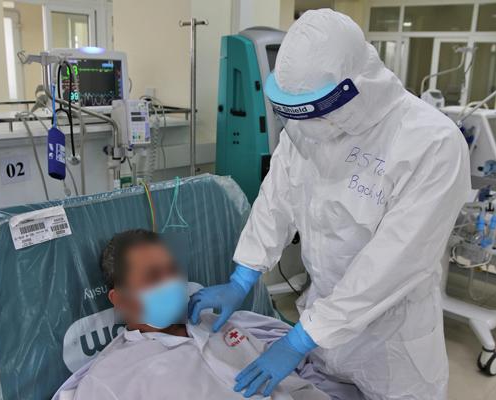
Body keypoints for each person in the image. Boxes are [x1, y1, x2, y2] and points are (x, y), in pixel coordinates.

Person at [188, 8, 471, 400]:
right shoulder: (305, 129)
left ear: (355, 85)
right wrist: (243, 276)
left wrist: (300, 339)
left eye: (317, 109)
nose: (307, 125)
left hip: (391, 341)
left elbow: (394, 264)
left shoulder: (432, 143)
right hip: (323, 326)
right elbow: (276, 199)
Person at [59, 229, 361, 400]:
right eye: (153, 277)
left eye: (173, 270)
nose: (171, 282)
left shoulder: (230, 323)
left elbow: (311, 367)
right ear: (120, 299)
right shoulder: (111, 378)